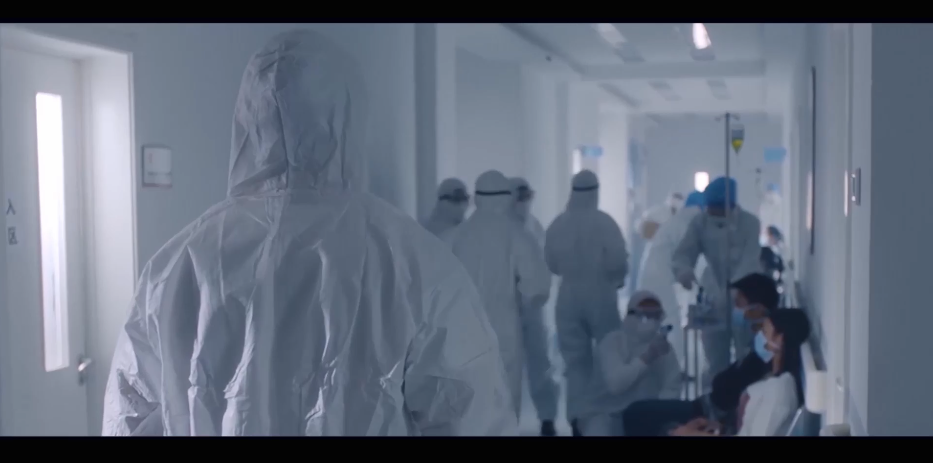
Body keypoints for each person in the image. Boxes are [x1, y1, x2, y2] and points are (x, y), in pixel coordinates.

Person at [101, 30, 518, 437]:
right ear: (351, 116)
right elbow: (473, 414)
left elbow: (129, 416)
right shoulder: (415, 261)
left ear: (247, 118)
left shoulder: (176, 265)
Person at [444, 170, 553, 430]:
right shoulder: (516, 233)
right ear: (506, 197)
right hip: (503, 328)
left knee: (469, 399)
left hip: (463, 329)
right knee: (504, 397)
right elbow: (537, 287)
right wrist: (524, 303)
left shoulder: (458, 235)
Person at [622, 273, 779, 436]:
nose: (735, 309)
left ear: (758, 310)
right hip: (703, 407)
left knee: (636, 415)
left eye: (739, 303)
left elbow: (739, 407)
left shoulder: (763, 356)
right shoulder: (755, 347)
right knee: (637, 412)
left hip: (707, 415)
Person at [544, 170, 629, 436]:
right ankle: (605, 418)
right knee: (608, 357)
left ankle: (577, 420)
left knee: (575, 365)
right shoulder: (605, 223)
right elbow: (618, 261)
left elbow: (551, 264)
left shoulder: (558, 224)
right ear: (595, 192)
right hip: (601, 294)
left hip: (568, 296)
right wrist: (615, 280)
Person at [672, 176, 762, 380]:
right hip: (714, 294)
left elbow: (749, 263)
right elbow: (683, 254)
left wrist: (734, 292)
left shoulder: (750, 224)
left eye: (717, 209)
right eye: (709, 208)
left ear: (730, 206)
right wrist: (684, 271)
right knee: (715, 357)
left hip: (747, 296)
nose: (712, 213)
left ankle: (744, 395)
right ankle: (717, 393)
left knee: (747, 355)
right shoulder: (700, 223)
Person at [669, 308, 811, 436]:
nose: (759, 335)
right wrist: (721, 429)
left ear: (779, 339)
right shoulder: (770, 378)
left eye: (764, 332)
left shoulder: (779, 391)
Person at [507, 177, 561, 436]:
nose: (525, 202)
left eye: (528, 197)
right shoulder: (500, 229)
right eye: (521, 197)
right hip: (504, 310)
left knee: (541, 365)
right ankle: (505, 422)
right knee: (505, 368)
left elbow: (545, 265)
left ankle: (547, 418)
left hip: (533, 309)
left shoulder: (534, 226)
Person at [592, 291, 682, 436]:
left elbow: (672, 384)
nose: (652, 322)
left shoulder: (663, 346)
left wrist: (660, 413)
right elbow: (615, 385)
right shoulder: (612, 342)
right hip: (607, 416)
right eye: (645, 317)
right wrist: (647, 357)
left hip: (646, 417)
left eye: (656, 316)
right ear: (630, 316)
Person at [636, 191, 705, 366]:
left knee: (656, 323)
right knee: (670, 324)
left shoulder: (677, 222)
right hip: (659, 279)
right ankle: (674, 368)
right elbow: (688, 259)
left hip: (652, 276)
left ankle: (658, 366)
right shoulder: (686, 224)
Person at [509, 177, 546, 247]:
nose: (525, 201)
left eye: (527, 196)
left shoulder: (536, 226)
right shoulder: (500, 225)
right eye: (521, 196)